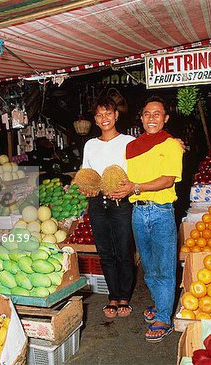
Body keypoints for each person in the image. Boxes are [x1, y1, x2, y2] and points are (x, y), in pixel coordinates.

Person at [112, 96, 183, 342]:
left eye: (157, 114)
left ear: (165, 118)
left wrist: (135, 187)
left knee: (164, 267)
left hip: (161, 211)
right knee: (149, 267)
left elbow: (168, 179)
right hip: (138, 212)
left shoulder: (171, 144)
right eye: (147, 113)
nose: (151, 118)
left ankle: (164, 317)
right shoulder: (132, 147)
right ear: (141, 118)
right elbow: (122, 175)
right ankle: (160, 304)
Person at [80, 96, 135, 319]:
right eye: (100, 115)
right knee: (105, 253)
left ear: (116, 115)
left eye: (108, 113)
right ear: (95, 119)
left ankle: (125, 297)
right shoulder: (90, 145)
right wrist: (85, 188)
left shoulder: (129, 141)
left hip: (120, 203)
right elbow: (86, 173)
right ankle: (113, 295)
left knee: (123, 251)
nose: (104, 118)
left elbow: (145, 160)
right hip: (97, 204)